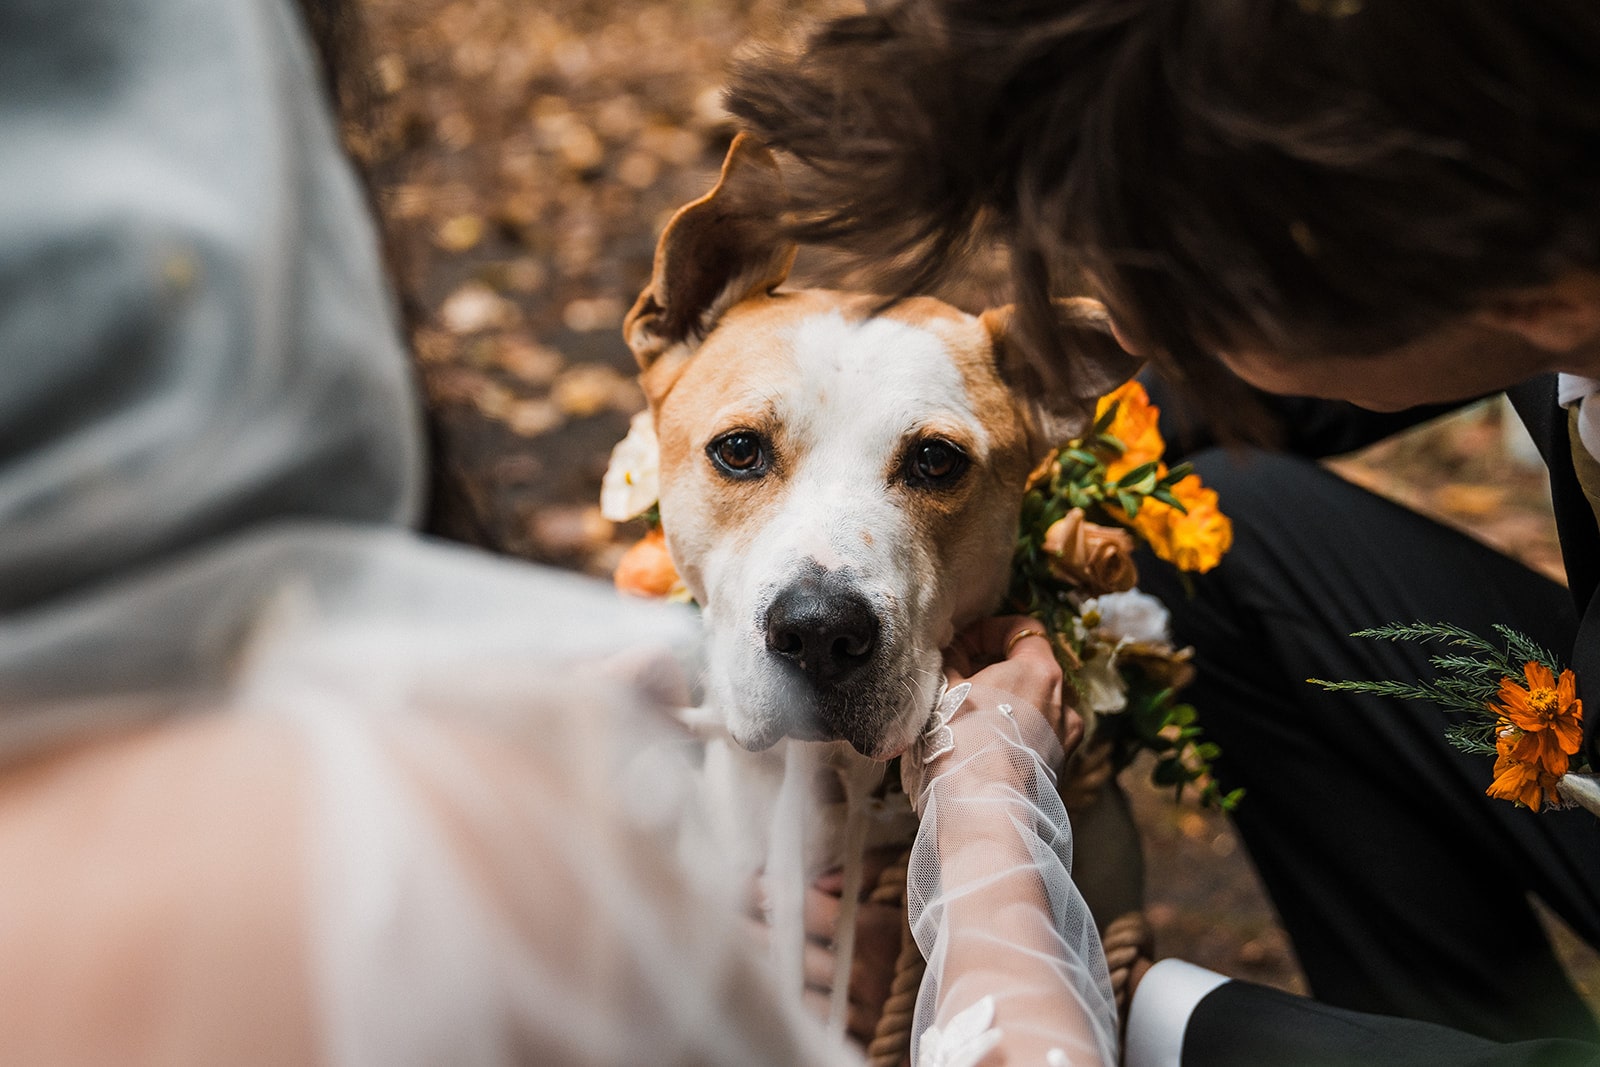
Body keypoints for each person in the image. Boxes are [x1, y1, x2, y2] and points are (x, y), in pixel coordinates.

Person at [0, 0, 1121, 1062]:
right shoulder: (494, 849)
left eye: (930, 465)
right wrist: (988, 828)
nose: (825, 592)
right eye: (742, 453)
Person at [726, 1, 1600, 1064]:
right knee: (1225, 531)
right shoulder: (1538, 148)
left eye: (1201, 274)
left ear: (1541, 289)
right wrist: (961, 416)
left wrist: (1059, 957)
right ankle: (1466, 1017)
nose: (1132, 327)